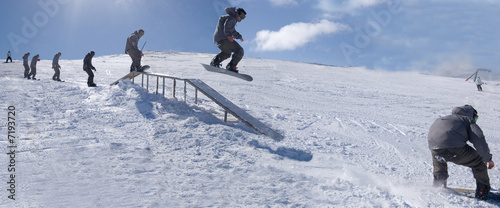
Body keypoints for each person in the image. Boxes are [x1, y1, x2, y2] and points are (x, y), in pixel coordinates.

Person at [427, 105, 494, 200]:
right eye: (476, 117)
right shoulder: (468, 120)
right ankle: (482, 189)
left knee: (440, 161)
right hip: (454, 148)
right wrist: (487, 159)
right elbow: (479, 140)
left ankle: (439, 182)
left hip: (434, 146)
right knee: (478, 162)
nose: (475, 119)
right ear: (472, 114)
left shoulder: (444, 118)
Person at [210, 7, 247, 73]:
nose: (241, 19)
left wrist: (239, 36)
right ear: (237, 14)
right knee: (239, 50)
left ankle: (215, 61)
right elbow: (226, 26)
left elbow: (232, 30)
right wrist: (229, 36)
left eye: (243, 17)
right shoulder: (232, 18)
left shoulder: (230, 17)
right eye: (241, 16)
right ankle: (231, 66)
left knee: (227, 53)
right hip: (223, 39)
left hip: (218, 39)